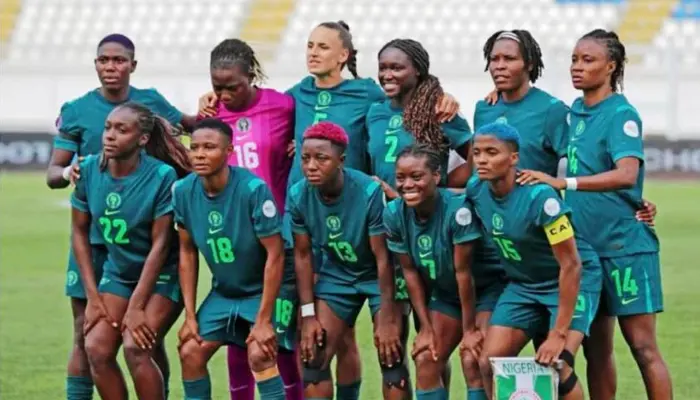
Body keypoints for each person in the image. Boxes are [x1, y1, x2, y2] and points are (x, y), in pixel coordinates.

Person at [475, 29, 660, 400]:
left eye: (588, 60)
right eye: (575, 59)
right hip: (580, 245)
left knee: (642, 347)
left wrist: (566, 184)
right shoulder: (574, 112)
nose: (577, 66)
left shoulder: (618, 113)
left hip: (621, 245)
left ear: (612, 66)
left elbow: (626, 173)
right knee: (597, 349)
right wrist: (499, 99)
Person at [47, 33, 194, 400]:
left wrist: (220, 108)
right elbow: (55, 178)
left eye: (118, 60)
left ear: (132, 65)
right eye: (103, 60)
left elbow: (192, 126)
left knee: (140, 342)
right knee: (91, 340)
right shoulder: (83, 136)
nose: (109, 136)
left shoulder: (159, 167)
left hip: (150, 264)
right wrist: (68, 172)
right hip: (109, 255)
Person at [468, 122, 602, 400]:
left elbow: (571, 265)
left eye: (492, 152)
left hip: (568, 280)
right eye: (477, 152)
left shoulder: (541, 199)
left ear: (513, 158)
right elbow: (445, 203)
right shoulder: (476, 189)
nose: (481, 159)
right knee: (488, 362)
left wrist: (559, 334)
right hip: (524, 286)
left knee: (559, 363)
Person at [203, 38, 302, 400]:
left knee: (281, 338)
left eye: (233, 86)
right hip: (234, 239)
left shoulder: (284, 105)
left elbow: (318, 130)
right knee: (237, 335)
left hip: (278, 237)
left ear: (251, 76)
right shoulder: (211, 115)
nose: (225, 95)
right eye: (217, 87)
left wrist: (302, 143)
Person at [70, 102, 190, 399]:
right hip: (120, 273)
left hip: (162, 275)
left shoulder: (161, 175)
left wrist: (136, 306)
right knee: (96, 348)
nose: (110, 135)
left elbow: (161, 245)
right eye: (108, 127)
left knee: (136, 347)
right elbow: (79, 232)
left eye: (121, 130)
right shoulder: (88, 169)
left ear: (143, 139)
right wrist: (93, 298)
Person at [287, 122, 405, 400]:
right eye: (305, 158)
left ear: (341, 160)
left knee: (392, 360)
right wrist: (308, 315)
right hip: (338, 274)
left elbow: (383, 259)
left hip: (379, 276)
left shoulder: (368, 192)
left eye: (321, 158)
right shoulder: (298, 194)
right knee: (313, 357)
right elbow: (302, 255)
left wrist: (388, 318)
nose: (311, 166)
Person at [174, 118, 289, 400]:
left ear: (229, 151)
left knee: (260, 353)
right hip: (224, 293)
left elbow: (276, 254)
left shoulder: (252, 189)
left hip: (264, 292)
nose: (200, 154)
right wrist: (190, 316)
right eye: (194, 147)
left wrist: (264, 320)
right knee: (190, 350)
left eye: (209, 147)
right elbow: (187, 252)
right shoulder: (183, 191)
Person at [383, 144, 485, 400]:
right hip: (448, 295)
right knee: (427, 357)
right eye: (401, 178)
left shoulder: (458, 210)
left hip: (484, 294)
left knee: (472, 358)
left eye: (417, 177)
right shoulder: (394, 214)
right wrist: (426, 327)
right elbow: (409, 272)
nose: (407, 184)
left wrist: (470, 330)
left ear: (436, 176)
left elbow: (464, 274)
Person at [368, 38, 473, 199]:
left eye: (396, 68)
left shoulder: (439, 109)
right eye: (382, 68)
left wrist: (445, 185)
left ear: (417, 70)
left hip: (425, 210)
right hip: (384, 210)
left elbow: (477, 155)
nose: (387, 75)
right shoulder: (374, 112)